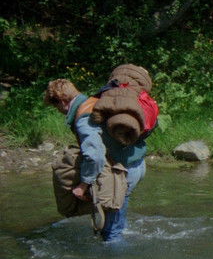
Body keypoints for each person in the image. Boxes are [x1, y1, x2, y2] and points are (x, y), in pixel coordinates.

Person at [45, 67, 150, 242]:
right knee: (115, 223)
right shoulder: (96, 101)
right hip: (136, 163)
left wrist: (84, 184)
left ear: (61, 100)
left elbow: (95, 155)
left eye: (56, 106)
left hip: (124, 171)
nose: (59, 111)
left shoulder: (84, 118)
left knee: (111, 235)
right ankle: (118, 237)